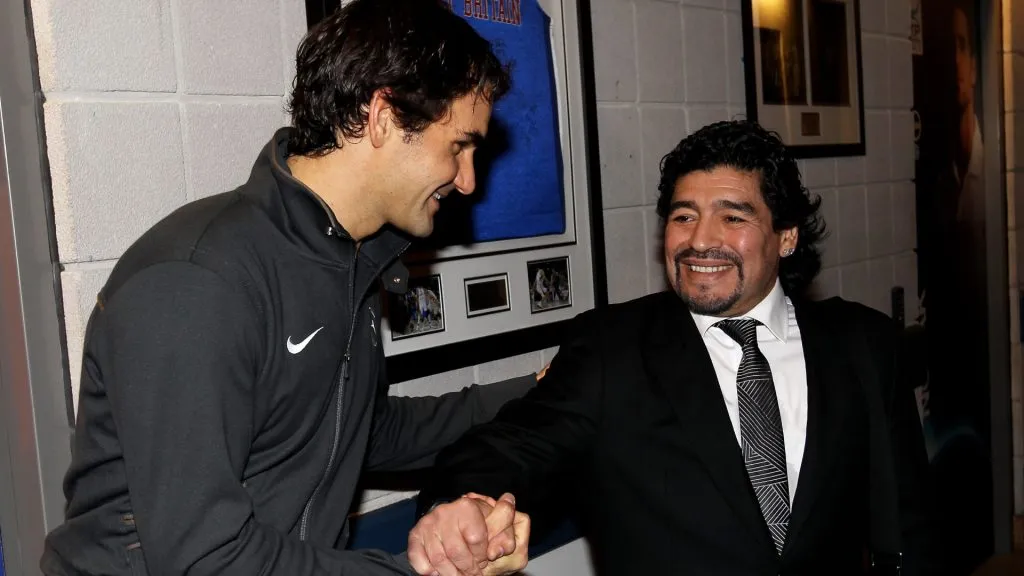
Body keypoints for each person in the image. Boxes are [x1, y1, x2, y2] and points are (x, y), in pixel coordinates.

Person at [39, 0, 535, 574]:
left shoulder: (347, 262)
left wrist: (543, 389)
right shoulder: (199, 282)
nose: (469, 181)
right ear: (382, 117)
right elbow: (205, 558)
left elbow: (358, 432)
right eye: (459, 146)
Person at [415, 120, 936, 575]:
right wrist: (463, 505)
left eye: (733, 217)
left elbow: (907, 523)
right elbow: (503, 449)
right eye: (684, 216)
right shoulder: (610, 351)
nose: (700, 240)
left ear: (786, 236)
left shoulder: (862, 346)